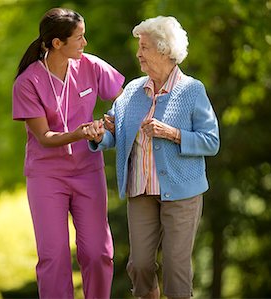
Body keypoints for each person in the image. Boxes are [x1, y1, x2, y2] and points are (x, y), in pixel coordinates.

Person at [85, 16, 220, 299]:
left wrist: (173, 133)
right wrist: (100, 134)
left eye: (144, 47)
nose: (138, 54)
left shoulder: (192, 90)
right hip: (141, 190)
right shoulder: (133, 90)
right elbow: (113, 131)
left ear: (163, 49)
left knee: (176, 267)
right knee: (140, 266)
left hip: (182, 193)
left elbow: (211, 141)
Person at [12, 7, 124, 299]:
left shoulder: (91, 66)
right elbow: (44, 137)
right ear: (57, 43)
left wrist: (111, 119)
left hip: (88, 171)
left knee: (99, 252)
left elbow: (126, 99)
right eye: (79, 38)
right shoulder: (27, 82)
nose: (85, 43)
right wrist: (79, 133)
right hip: (47, 176)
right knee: (55, 256)